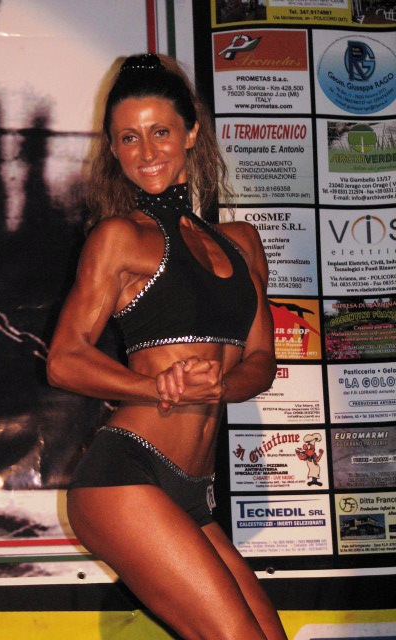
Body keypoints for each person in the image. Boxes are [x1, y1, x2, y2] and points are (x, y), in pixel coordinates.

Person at [47, 53, 287, 640]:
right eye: (129, 138)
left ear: (191, 133)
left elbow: (262, 361)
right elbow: (64, 359)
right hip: (124, 474)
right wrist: (154, 386)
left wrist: (221, 386)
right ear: (113, 148)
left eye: (160, 132)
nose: (147, 151)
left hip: (191, 493)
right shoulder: (119, 237)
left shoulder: (241, 241)